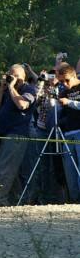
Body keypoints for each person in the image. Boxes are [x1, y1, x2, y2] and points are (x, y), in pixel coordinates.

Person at [0, 64, 38, 206]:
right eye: (11, 74)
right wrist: (2, 88)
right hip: (4, 134)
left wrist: (11, 88)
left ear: (24, 77)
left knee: (4, 171)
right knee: (5, 171)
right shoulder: (5, 90)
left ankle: (0, 202)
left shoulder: (28, 89)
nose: (13, 78)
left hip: (17, 135)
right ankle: (16, 200)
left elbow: (22, 105)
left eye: (17, 75)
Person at [57, 63, 80, 202]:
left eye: (67, 80)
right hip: (67, 133)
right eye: (61, 81)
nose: (64, 84)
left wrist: (69, 102)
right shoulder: (64, 92)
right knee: (70, 170)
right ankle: (74, 200)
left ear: (74, 75)